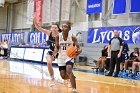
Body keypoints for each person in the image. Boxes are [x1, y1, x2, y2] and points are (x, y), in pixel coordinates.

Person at [53, 21, 81, 93]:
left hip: (69, 56)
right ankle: (72, 77)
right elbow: (57, 47)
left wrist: (78, 52)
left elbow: (79, 47)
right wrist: (54, 53)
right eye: (62, 27)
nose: (63, 28)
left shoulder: (72, 37)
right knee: (63, 76)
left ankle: (74, 89)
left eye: (65, 27)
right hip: (61, 57)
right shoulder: (57, 36)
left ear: (69, 28)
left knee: (69, 70)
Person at [34, 17, 61, 86]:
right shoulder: (49, 33)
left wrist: (56, 52)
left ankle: (68, 80)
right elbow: (39, 28)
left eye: (55, 28)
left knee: (64, 67)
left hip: (59, 52)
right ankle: (52, 79)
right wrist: (34, 20)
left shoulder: (61, 36)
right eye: (52, 27)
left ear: (58, 29)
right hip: (51, 51)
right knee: (49, 63)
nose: (53, 29)